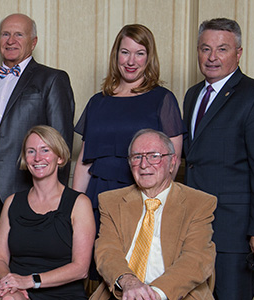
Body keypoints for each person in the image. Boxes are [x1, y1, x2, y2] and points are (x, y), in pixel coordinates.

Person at [183, 18, 254, 299]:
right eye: (205, 49)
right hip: (193, 230)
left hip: (235, 235)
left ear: (238, 53)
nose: (212, 57)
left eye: (222, 49)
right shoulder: (193, 95)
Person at [72, 25, 185, 280]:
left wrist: (155, 206)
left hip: (140, 198)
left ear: (149, 57)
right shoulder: (98, 101)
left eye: (139, 53)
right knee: (97, 267)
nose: (131, 61)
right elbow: (84, 160)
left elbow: (171, 162)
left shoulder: (162, 99)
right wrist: (74, 205)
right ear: (116, 56)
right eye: (125, 52)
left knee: (135, 270)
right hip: (97, 196)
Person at [91, 129, 216, 300]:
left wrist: (154, 294)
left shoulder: (198, 203)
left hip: (174, 294)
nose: (144, 164)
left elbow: (196, 259)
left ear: (172, 162)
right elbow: (107, 251)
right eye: (137, 157)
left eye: (154, 156)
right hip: (124, 293)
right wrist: (129, 283)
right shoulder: (111, 202)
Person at [0, 13, 75, 227]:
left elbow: (62, 144)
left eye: (19, 34)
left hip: (33, 185)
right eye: (5, 34)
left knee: (34, 253)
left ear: (33, 42)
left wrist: (56, 198)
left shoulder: (52, 79)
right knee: (3, 253)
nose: (10, 40)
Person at [0, 126, 94, 300]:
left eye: (45, 150)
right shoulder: (12, 203)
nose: (38, 158)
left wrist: (30, 281)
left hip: (63, 293)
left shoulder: (79, 203)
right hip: (18, 291)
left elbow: (81, 269)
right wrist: (10, 282)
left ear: (60, 157)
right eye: (31, 151)